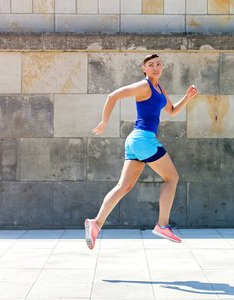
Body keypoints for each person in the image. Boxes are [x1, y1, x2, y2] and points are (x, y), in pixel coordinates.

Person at [85, 53, 198, 250]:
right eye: (151, 65)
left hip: (136, 141)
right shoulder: (144, 86)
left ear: (162, 67)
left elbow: (171, 110)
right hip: (143, 139)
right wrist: (104, 122)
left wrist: (187, 97)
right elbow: (112, 96)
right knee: (172, 178)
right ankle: (162, 225)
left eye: (159, 64)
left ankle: (96, 224)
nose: (156, 67)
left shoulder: (159, 87)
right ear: (144, 68)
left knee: (124, 186)